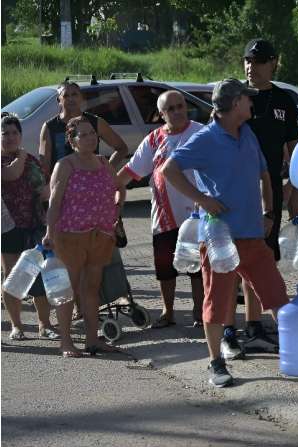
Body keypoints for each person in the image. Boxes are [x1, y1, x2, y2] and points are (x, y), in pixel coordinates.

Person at [161, 78, 289, 387]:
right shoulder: (206, 138)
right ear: (234, 103)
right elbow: (169, 170)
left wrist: (269, 212)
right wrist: (202, 199)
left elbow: (264, 173)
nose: (252, 102)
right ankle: (216, 362)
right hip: (219, 237)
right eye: (247, 98)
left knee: (277, 296)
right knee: (217, 302)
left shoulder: (248, 133)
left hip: (253, 235)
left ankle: (297, 352)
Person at [234, 38, 298, 354]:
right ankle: (248, 326)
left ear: (273, 63)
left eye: (259, 61)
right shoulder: (235, 98)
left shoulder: (284, 101)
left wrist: (294, 190)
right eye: (248, 60)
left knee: (264, 258)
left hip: (271, 192)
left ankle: (258, 324)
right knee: (242, 259)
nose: (252, 67)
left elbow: (296, 153)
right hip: (238, 192)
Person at [117, 90, 205, 328]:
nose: (177, 112)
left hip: (197, 215)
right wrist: (104, 188)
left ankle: (199, 311)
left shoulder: (201, 133)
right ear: (161, 114)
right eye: (170, 109)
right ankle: (168, 312)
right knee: (165, 267)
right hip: (165, 217)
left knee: (197, 267)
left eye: (180, 106)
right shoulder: (154, 139)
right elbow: (131, 171)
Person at [43, 115, 126, 357]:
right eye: (83, 135)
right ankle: (66, 342)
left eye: (92, 133)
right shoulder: (65, 165)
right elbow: (54, 203)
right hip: (70, 236)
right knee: (68, 290)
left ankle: (92, 340)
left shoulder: (103, 162)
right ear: (72, 140)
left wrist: (116, 210)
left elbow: (119, 187)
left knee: (91, 288)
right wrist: (49, 232)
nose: (90, 138)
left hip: (101, 235)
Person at [1, 113, 58, 340]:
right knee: (12, 276)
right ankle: (17, 326)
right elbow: (12, 174)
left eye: (15, 133)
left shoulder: (31, 160)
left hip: (34, 224)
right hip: (7, 227)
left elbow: (46, 189)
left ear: (21, 135)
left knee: (38, 275)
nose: (10, 137)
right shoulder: (14, 159)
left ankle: (45, 324)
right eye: (5, 133)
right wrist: (23, 155)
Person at [39, 80, 129, 179]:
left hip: (91, 182)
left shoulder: (95, 122)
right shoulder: (50, 127)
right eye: (66, 96)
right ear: (59, 100)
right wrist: (51, 183)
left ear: (81, 98)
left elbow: (122, 148)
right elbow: (44, 165)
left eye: (74, 94)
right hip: (62, 183)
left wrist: (105, 171)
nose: (71, 99)